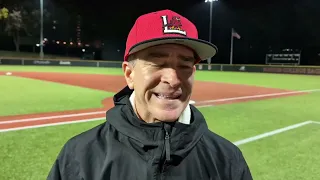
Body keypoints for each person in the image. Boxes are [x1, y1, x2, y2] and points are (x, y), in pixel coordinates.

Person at [47, 9, 253, 180]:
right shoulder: (80, 156)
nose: (173, 79)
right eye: (158, 63)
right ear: (129, 74)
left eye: (184, 65)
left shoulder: (227, 159)